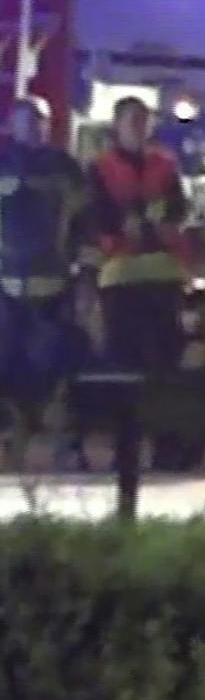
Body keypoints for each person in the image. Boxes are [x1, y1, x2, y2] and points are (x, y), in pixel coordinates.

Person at [86, 97, 198, 471]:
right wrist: (132, 223)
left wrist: (147, 221)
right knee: (125, 366)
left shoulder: (165, 165)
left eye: (143, 120)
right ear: (116, 125)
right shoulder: (100, 168)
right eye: (132, 120)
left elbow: (178, 209)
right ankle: (126, 449)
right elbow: (98, 216)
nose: (138, 126)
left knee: (164, 364)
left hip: (163, 275)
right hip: (121, 275)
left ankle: (167, 446)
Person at [0, 97, 90, 468]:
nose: (36, 127)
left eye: (42, 120)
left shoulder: (66, 169)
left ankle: (60, 445)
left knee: (53, 365)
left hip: (53, 286)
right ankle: (13, 440)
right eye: (28, 120)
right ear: (12, 124)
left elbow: (86, 226)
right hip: (6, 286)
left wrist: (85, 276)